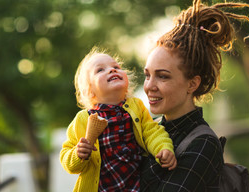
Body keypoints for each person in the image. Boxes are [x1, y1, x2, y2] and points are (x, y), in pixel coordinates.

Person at [140, 0, 249, 191]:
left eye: (162, 76)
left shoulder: (203, 144)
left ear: (192, 84)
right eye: (148, 75)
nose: (149, 86)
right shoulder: (149, 130)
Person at [60, 47, 177, 192]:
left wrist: (163, 148)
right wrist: (78, 154)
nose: (112, 70)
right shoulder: (84, 119)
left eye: (116, 67)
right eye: (100, 70)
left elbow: (152, 131)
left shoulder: (136, 107)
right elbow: (67, 158)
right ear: (90, 91)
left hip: (134, 186)